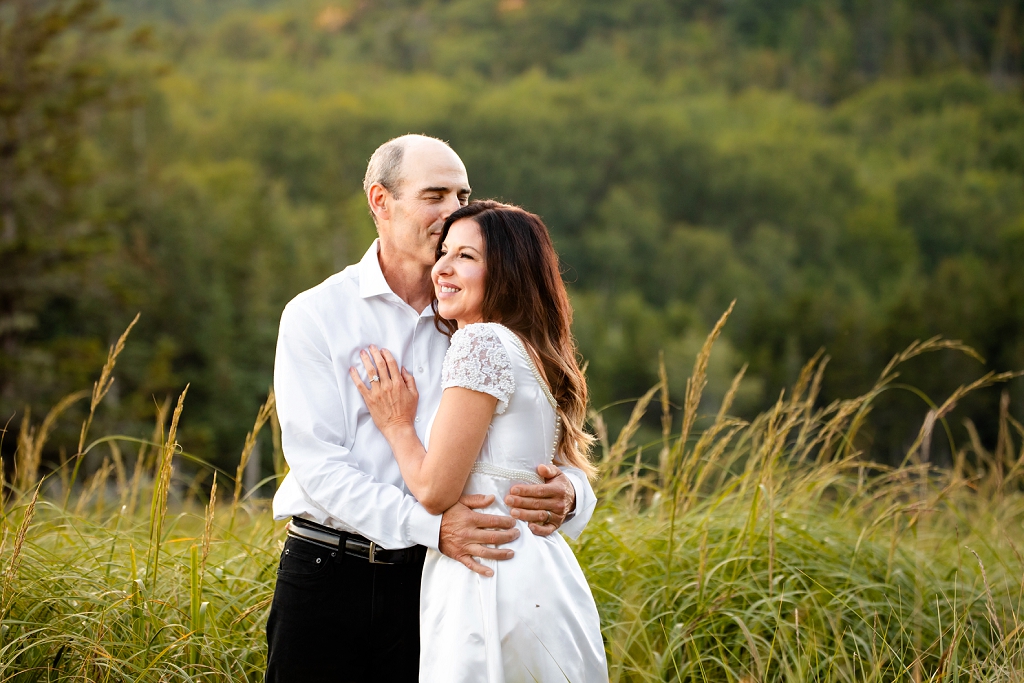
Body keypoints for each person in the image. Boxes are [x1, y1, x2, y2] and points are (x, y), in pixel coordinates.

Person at [265, 135, 597, 682]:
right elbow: (319, 467)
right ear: (380, 201)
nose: (453, 212)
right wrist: (430, 526)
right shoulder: (317, 315)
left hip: (447, 579)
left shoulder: (485, 321)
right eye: (434, 195)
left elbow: (549, 450)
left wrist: (570, 497)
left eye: (463, 195)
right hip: (331, 575)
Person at [351, 200, 608, 682]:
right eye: (444, 252)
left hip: (489, 574)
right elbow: (560, 468)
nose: (442, 268)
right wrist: (571, 492)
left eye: (466, 257)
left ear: (508, 271)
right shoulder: (532, 349)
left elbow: (434, 491)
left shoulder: (481, 343)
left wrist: (396, 424)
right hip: (542, 573)